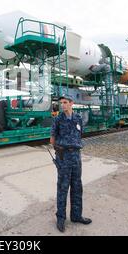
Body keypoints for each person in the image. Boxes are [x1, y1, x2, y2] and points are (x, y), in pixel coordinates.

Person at [50, 94, 92, 232]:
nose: (63, 105)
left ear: (71, 103)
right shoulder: (57, 120)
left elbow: (80, 135)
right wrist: (61, 150)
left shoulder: (78, 118)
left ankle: (76, 215)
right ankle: (61, 219)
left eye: (65, 102)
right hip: (63, 156)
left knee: (77, 186)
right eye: (61, 103)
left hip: (76, 156)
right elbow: (52, 139)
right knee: (62, 187)